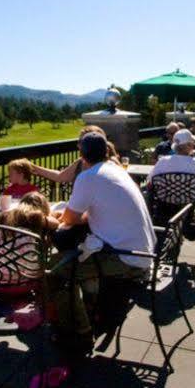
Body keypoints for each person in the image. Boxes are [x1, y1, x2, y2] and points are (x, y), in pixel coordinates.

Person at [50, 132, 156, 354]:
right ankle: (91, 309)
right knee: (75, 258)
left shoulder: (88, 177)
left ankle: (80, 333)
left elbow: (68, 219)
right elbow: (100, 211)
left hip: (126, 259)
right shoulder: (116, 170)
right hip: (143, 251)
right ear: (107, 151)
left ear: (81, 154)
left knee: (56, 272)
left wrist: (57, 216)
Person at [147, 128, 195, 240]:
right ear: (189, 145)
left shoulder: (162, 161)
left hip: (165, 206)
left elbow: (149, 183)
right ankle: (190, 226)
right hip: (188, 208)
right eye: (192, 143)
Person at [29, 125, 120, 187]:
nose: (78, 145)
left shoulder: (111, 165)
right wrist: (33, 167)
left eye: (81, 142)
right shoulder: (80, 162)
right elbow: (60, 177)